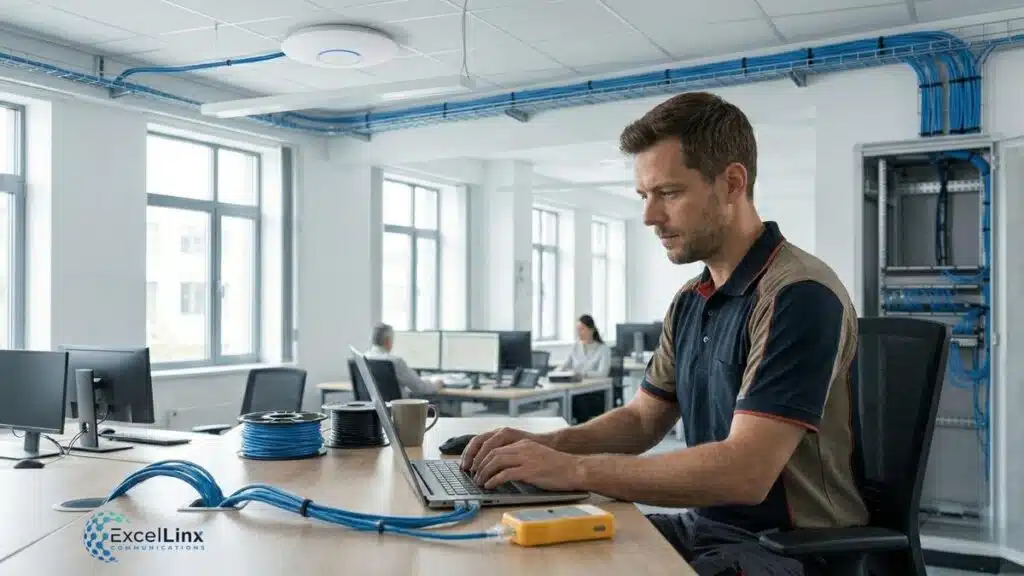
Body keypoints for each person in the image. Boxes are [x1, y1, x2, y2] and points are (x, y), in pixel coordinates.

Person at [459, 91, 867, 576]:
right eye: (645, 197)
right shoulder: (692, 299)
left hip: (792, 549)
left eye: (669, 194)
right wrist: (544, 446)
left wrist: (573, 471)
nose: (651, 217)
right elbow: (641, 421)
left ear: (732, 183)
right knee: (533, 551)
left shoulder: (799, 294)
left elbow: (746, 472)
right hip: (708, 527)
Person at [365, 323, 443, 398]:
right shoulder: (395, 362)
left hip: (373, 410)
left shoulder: (364, 358)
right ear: (387, 341)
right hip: (399, 410)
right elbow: (420, 388)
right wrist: (436, 384)